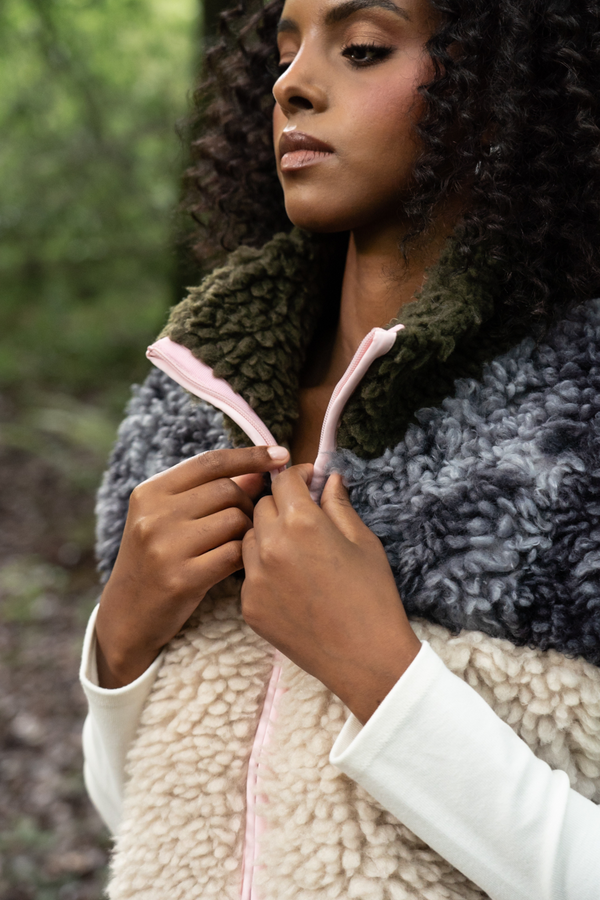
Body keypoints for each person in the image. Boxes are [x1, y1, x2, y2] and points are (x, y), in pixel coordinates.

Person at [79, 0, 600, 897]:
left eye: (361, 48)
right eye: (284, 52)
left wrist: (381, 673)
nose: (295, 84)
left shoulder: (576, 425)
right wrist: (118, 648)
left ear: (500, 93)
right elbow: (148, 826)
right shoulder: (186, 409)